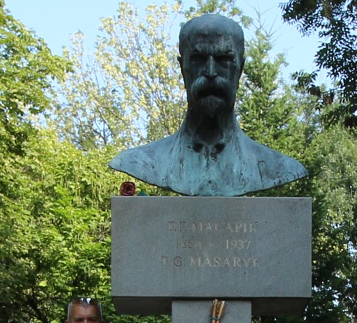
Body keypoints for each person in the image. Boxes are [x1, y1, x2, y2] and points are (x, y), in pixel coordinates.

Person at [109, 12, 307, 197]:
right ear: (182, 68)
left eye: (224, 60)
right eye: (198, 59)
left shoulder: (277, 168)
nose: (211, 72)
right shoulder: (143, 163)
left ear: (240, 69)